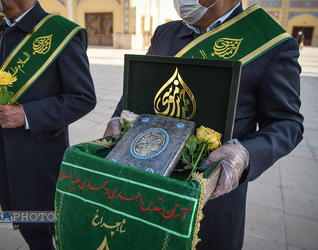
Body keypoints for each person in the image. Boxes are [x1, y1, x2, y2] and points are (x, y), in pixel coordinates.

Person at [104, 0, 304, 249]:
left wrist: (245, 154)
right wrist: (117, 117)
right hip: (150, 184)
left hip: (211, 196)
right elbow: (142, 87)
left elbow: (287, 122)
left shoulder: (271, 43)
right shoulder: (165, 33)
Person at [0, 0, 96, 249]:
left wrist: (27, 114)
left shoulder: (62, 32)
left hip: (40, 154)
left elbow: (83, 98)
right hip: (2, 152)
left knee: (46, 222)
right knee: (22, 217)